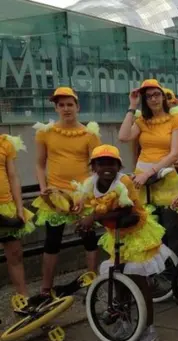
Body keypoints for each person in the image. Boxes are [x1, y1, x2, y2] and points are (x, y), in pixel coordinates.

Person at [76, 145, 170, 341]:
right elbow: (91, 208)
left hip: (136, 234)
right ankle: (125, 324)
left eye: (111, 163)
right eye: (101, 163)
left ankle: (149, 330)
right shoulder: (90, 185)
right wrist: (85, 222)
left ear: (119, 166)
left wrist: (96, 217)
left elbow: (130, 213)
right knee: (118, 280)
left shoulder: (123, 182)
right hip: (115, 235)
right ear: (94, 167)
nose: (106, 167)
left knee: (138, 281)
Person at [32, 86, 101, 300]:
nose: (66, 108)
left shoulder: (89, 134)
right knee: (52, 242)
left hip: (82, 195)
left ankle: (93, 283)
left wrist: (84, 195)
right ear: (56, 108)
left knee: (89, 239)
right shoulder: (45, 133)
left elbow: (96, 169)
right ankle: (46, 288)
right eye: (61, 105)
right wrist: (43, 188)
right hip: (55, 197)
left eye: (69, 104)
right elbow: (40, 164)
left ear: (77, 107)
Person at [118, 79, 178, 258]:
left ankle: (174, 272)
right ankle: (154, 271)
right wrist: (132, 106)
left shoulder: (175, 119)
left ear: (163, 96)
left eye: (156, 94)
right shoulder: (142, 121)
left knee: (170, 228)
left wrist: (149, 173)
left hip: (164, 176)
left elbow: (175, 153)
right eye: (148, 96)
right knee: (148, 226)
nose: (153, 99)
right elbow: (123, 136)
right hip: (142, 178)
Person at [0, 134, 33, 297]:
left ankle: (23, 297)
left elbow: (13, 176)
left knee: (15, 254)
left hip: (6, 206)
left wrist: (19, 208)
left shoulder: (5, 143)